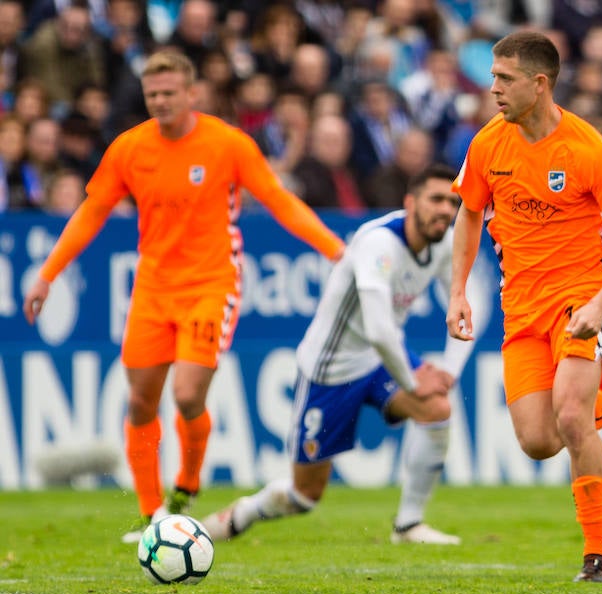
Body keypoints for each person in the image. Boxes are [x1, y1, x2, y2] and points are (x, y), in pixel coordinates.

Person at [21, 50, 346, 543]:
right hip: (153, 287)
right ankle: (154, 515)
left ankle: (186, 486)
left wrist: (335, 250)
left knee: (188, 393)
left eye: (170, 92)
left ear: (191, 93)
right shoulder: (130, 148)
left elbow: (280, 201)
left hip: (211, 282)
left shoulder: (226, 144)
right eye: (153, 94)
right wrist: (48, 274)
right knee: (139, 402)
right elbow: (91, 212)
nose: (161, 101)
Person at [445, 31, 602, 583]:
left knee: (572, 416)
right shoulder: (487, 144)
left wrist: (600, 302)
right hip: (519, 309)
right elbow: (470, 214)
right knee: (539, 441)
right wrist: (456, 293)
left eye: (504, 78)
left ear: (539, 83)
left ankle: (600, 556)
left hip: (579, 301)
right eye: (492, 76)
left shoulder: (587, 148)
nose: (492, 87)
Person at [200, 163, 471, 545]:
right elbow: (377, 328)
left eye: (453, 202)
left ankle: (408, 526)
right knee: (303, 495)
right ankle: (242, 513)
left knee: (437, 408)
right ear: (411, 202)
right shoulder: (378, 243)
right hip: (332, 369)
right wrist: (414, 382)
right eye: (436, 199)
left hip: (381, 359)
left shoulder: (445, 243)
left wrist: (449, 373)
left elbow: (466, 305)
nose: (445, 209)